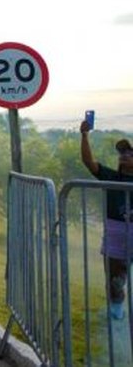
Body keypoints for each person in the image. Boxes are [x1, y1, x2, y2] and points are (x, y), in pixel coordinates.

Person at [79, 119, 133, 321]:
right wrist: (84, 136)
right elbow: (89, 163)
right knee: (115, 282)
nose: (124, 156)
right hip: (115, 237)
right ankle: (116, 316)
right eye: (122, 153)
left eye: (130, 153)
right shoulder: (112, 178)